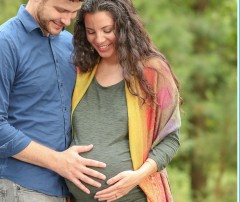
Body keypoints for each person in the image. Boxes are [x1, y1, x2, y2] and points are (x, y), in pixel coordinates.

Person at [0, 0, 108, 201]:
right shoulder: (1, 44)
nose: (67, 20)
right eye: (61, 10)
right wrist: (58, 162)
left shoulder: (69, 44)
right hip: (20, 189)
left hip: (65, 191)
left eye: (73, 13)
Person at [65, 0, 181, 201]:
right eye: (91, 32)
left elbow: (171, 139)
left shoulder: (152, 72)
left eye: (107, 30)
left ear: (124, 26)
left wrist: (137, 177)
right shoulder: (82, 71)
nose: (99, 39)